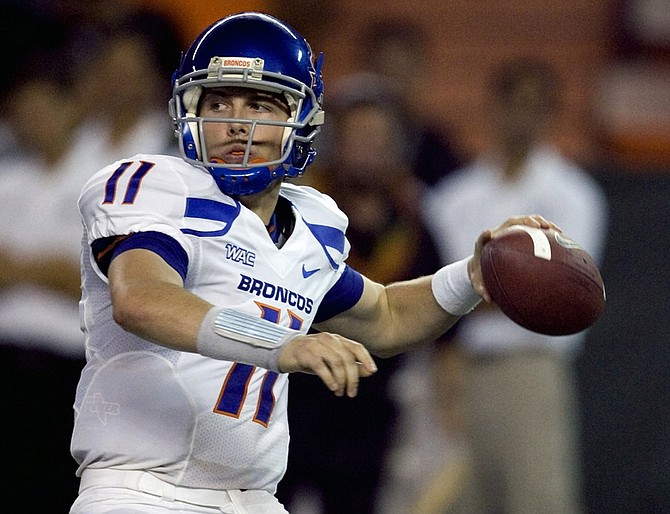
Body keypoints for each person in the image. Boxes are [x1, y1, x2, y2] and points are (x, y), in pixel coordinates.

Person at [69, 13, 561, 514]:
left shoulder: (310, 225)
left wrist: (471, 278)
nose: (236, 121)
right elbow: (141, 299)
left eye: (259, 102)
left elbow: (386, 317)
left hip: (253, 499)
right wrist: (282, 345)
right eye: (218, 102)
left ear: (301, 118)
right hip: (142, 492)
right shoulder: (157, 186)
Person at [423, 57, 609, 514]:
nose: (523, 116)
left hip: (530, 370)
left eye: (536, 106)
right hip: (453, 372)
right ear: (494, 107)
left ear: (552, 114)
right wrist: (500, 285)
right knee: (453, 502)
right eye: (514, 103)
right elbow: (424, 287)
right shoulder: (452, 196)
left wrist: (467, 289)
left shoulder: (574, 193)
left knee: (537, 501)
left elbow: (566, 294)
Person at [276, 73, 442, 513]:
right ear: (334, 142)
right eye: (357, 136)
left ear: (399, 149)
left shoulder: (415, 225)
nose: (368, 148)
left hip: (368, 413)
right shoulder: (295, 210)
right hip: (288, 400)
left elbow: (440, 324)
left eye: (380, 138)